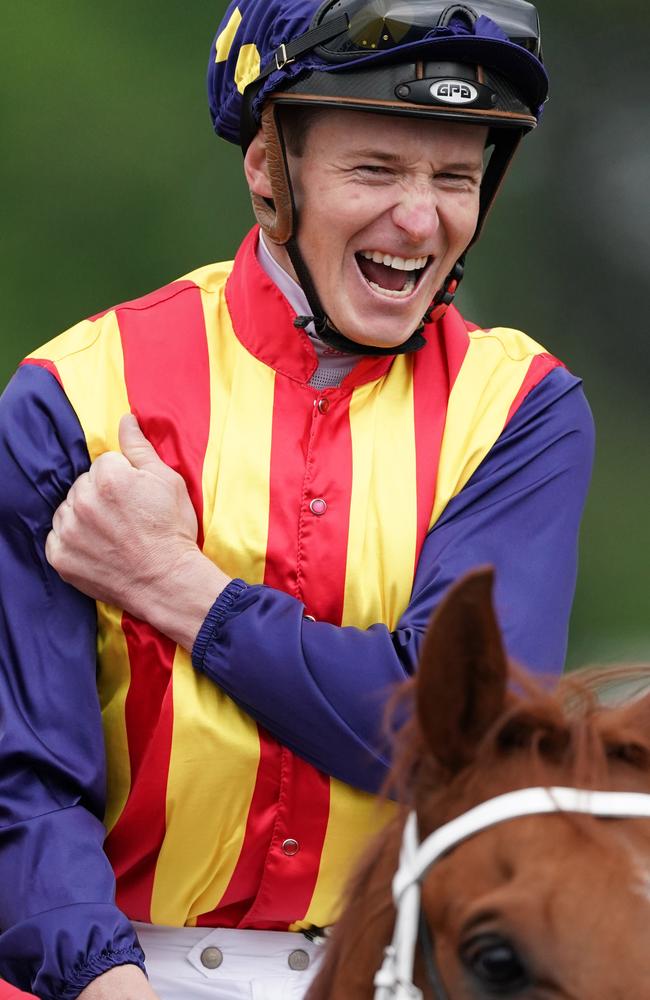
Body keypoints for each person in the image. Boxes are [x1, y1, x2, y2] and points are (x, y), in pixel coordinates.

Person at [0, 1, 594, 997]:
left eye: (453, 176)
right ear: (268, 170)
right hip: (103, 978)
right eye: (375, 170)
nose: (420, 219)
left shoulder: (523, 411)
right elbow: (22, 773)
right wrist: (105, 980)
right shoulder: (70, 395)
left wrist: (179, 589)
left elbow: (453, 739)